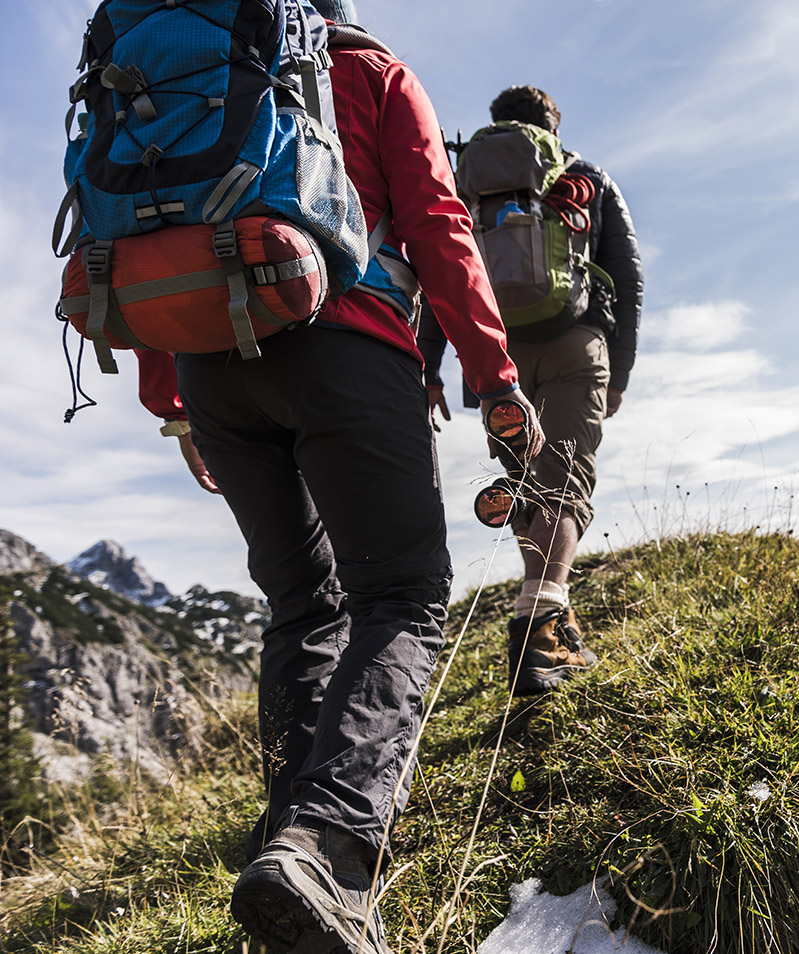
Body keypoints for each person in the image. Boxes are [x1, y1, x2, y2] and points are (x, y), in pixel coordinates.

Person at [137, 7, 542, 954]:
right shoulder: (370, 70)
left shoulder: (181, 70)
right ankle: (326, 850)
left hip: (210, 365)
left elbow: (150, 236)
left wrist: (173, 403)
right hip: (347, 343)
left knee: (298, 606)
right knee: (400, 595)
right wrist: (493, 377)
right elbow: (437, 223)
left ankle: (289, 856)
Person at [419, 85, 644, 696]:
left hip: (496, 357)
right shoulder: (585, 177)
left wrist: (429, 366)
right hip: (575, 341)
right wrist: (619, 371)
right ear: (552, 127)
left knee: (527, 482)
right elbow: (627, 277)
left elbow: (444, 269)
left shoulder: (467, 182)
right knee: (564, 479)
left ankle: (548, 613)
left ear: (495, 124)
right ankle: (540, 630)